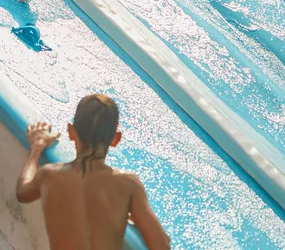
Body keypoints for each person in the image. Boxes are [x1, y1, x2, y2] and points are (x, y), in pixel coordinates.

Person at [16, 94, 171, 250]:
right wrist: (134, 218)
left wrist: (36, 148)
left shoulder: (49, 175)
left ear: (71, 131)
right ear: (116, 139)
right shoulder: (128, 184)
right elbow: (161, 245)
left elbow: (23, 192)